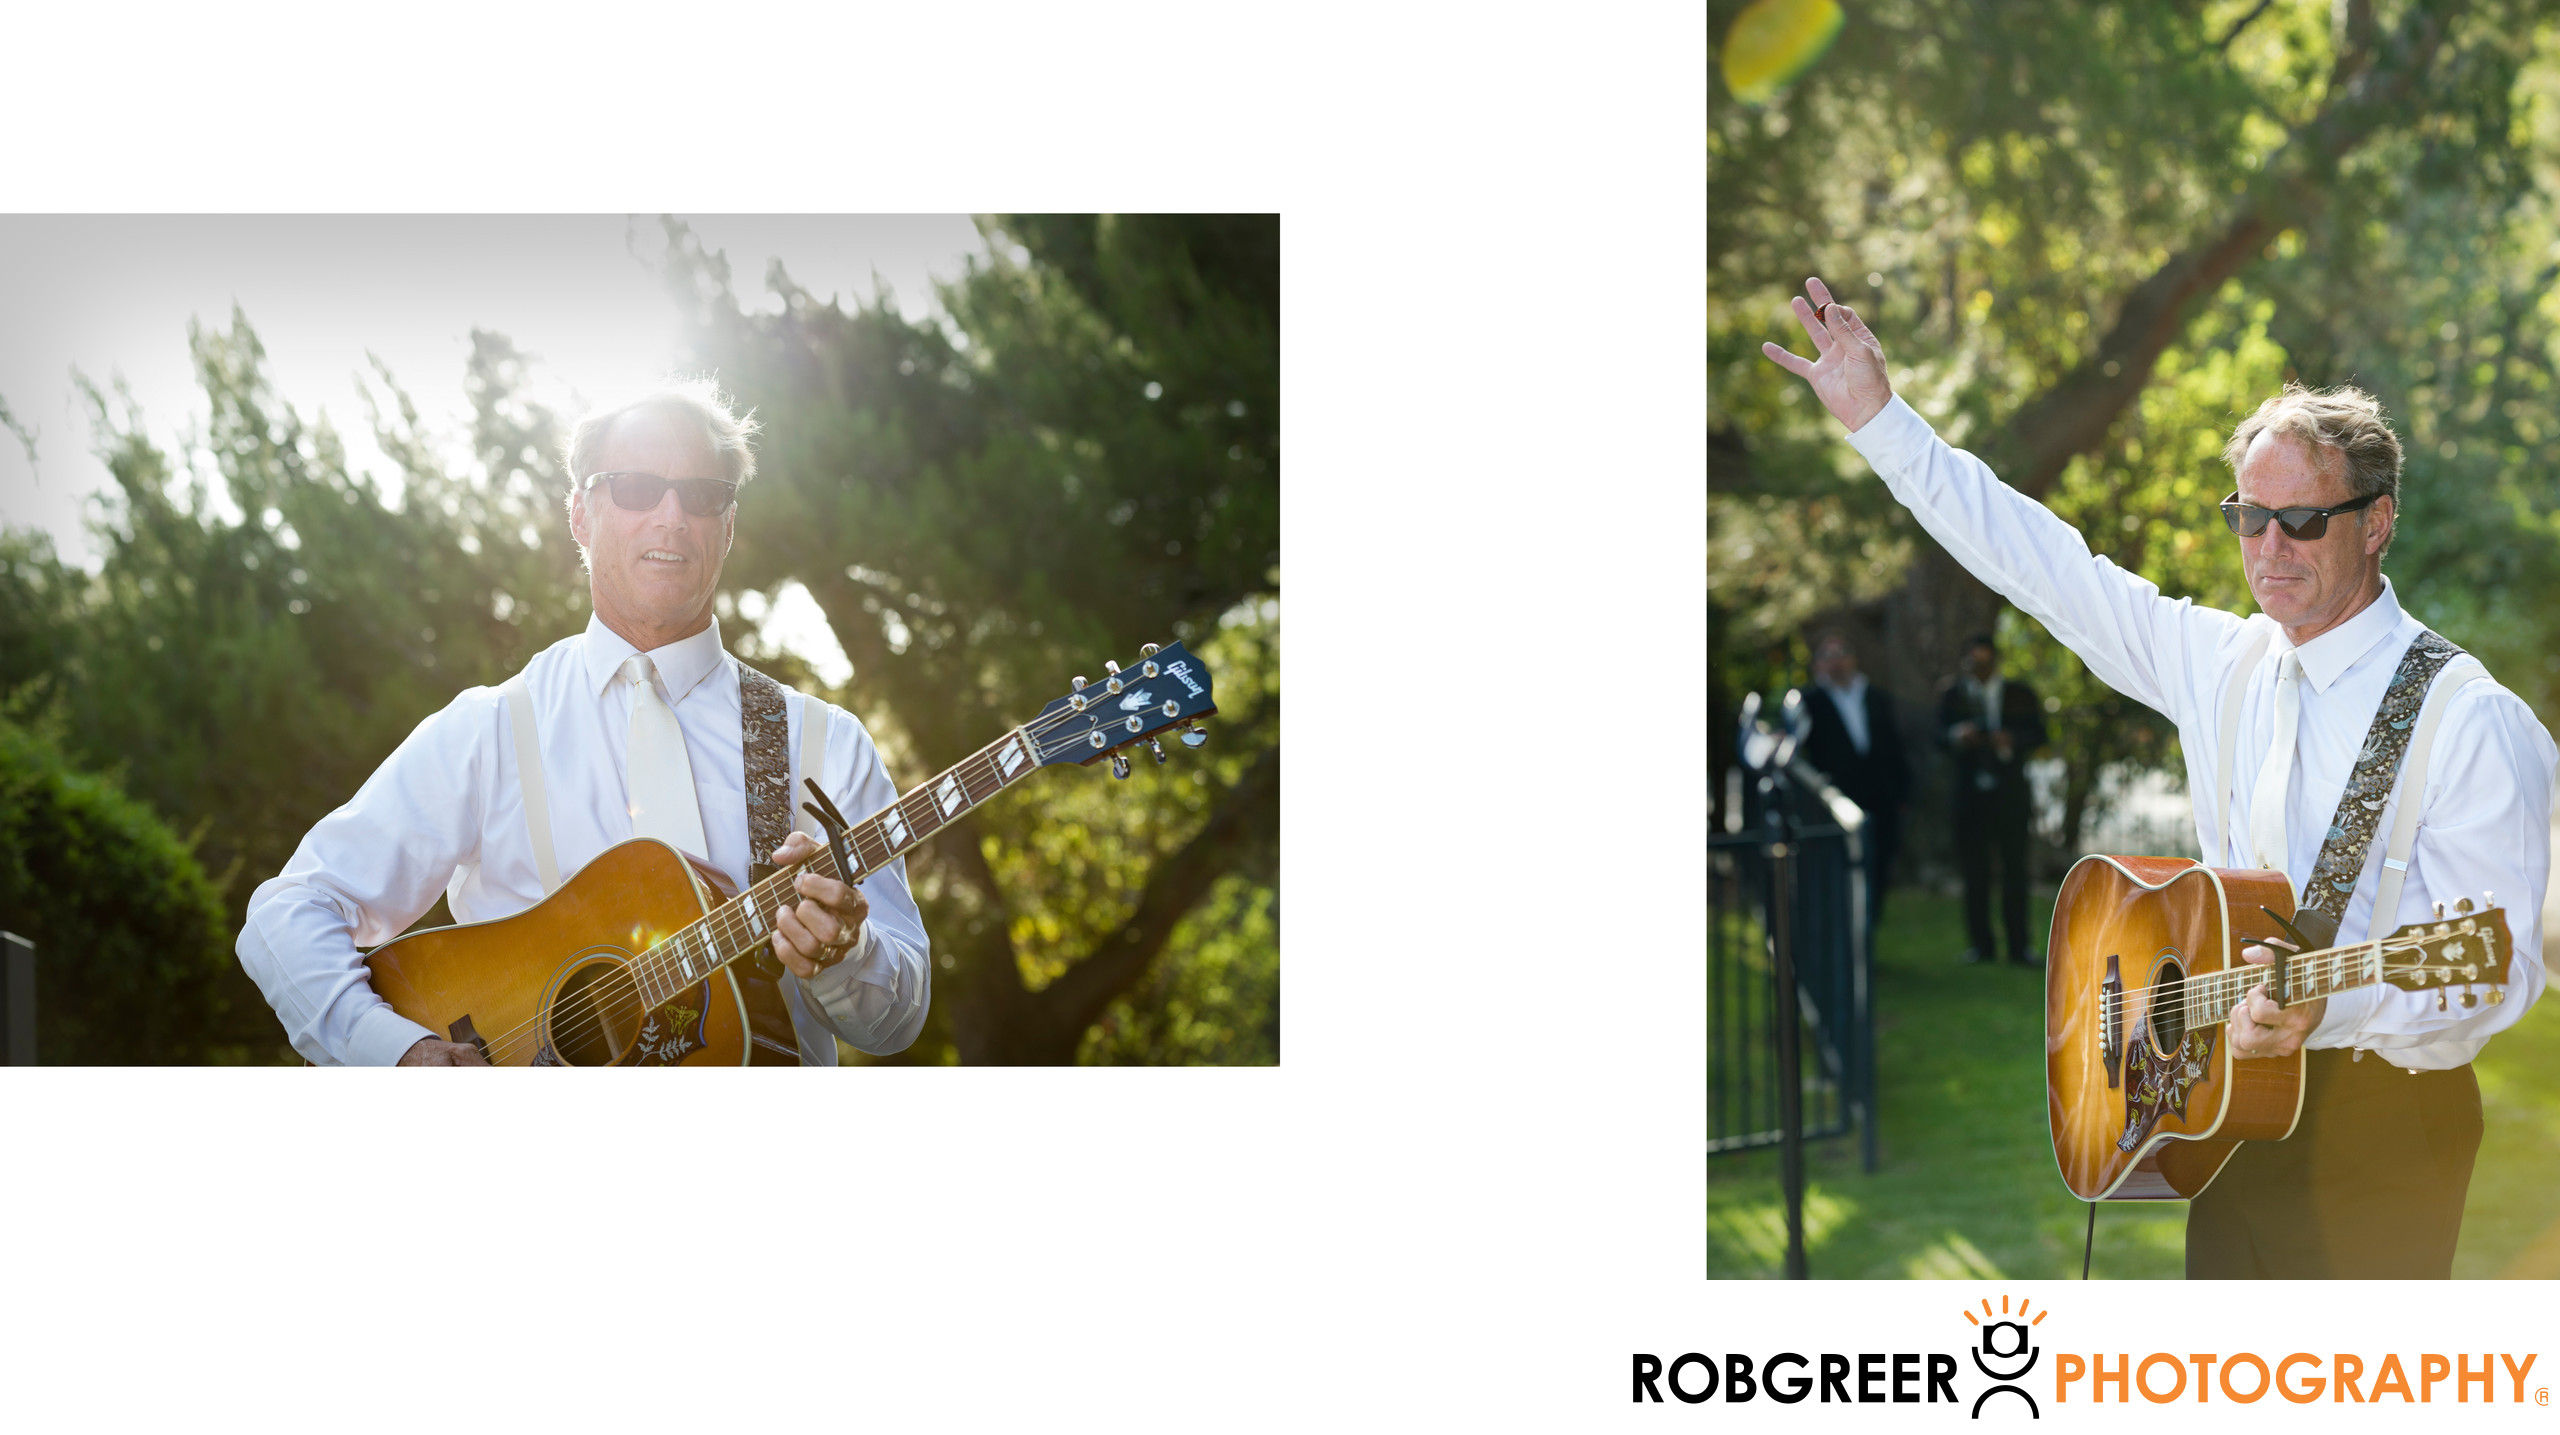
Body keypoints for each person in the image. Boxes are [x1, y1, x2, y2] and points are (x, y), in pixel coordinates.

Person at [1763, 277, 2555, 1278]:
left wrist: (2330, 1006)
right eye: (2249, 516)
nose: (2269, 549)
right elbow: (2042, 565)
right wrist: (1882, 423)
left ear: (2376, 522)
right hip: (2219, 1102)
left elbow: (2494, 965)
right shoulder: (2215, 661)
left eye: (2302, 521)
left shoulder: (2468, 719)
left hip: (2384, 1126)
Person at [237, 379, 931, 1065]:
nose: (670, 516)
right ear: (579, 515)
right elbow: (289, 911)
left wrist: (849, 956)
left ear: (728, 526)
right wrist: (397, 1050)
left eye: (701, 494)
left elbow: (898, 1020)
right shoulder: (492, 728)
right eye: (634, 486)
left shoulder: (823, 741)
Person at [1787, 631, 1911, 939]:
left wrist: (1901, 792)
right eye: (1827, 655)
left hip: (1879, 800)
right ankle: (1841, 942)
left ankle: (1865, 940)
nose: (1836, 661)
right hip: (1834, 802)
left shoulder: (1875, 695)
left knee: (1877, 868)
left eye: (1841, 653)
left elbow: (1894, 745)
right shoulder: (1809, 701)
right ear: (1817, 664)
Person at [1937, 633, 2046, 967]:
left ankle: (2018, 946)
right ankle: (1981, 945)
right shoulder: (1954, 694)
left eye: (1986, 662)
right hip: (1970, 796)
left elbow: (2039, 733)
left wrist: (2010, 741)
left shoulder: (2019, 693)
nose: (1981, 669)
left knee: (2015, 870)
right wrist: (1959, 737)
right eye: (1975, 663)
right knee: (1975, 871)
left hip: (2010, 793)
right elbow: (1937, 736)